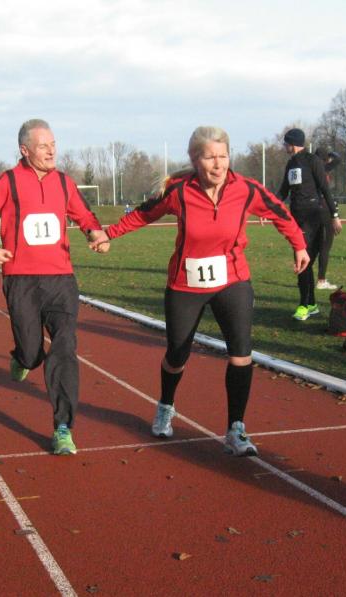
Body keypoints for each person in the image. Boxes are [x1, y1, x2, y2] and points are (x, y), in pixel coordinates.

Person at [101, 125, 309, 456]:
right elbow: (144, 214)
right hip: (186, 284)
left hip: (232, 280)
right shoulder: (179, 191)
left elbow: (279, 212)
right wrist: (108, 234)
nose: (218, 164)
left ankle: (236, 428)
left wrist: (299, 245)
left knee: (241, 354)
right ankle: (166, 405)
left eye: (223, 156)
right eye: (210, 157)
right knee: (177, 355)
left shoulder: (246, 189)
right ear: (195, 159)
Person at [0, 118, 109, 456]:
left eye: (53, 144)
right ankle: (22, 357)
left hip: (60, 279)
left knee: (64, 347)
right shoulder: (7, 182)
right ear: (25, 150)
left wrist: (94, 233)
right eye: (43, 146)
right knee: (33, 353)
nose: (51, 151)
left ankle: (63, 427)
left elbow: (84, 215)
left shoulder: (64, 182)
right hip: (22, 281)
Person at [278, 129, 342, 320]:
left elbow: (325, 189)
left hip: (313, 217)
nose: (284, 146)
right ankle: (312, 304)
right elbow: (283, 191)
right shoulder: (291, 164)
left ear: (293, 143)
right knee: (304, 263)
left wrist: (335, 215)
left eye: (286, 142)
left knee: (302, 261)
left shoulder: (313, 161)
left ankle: (304, 305)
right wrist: (270, 208)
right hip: (296, 219)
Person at [314, 148, 342, 290]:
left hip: (312, 208)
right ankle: (321, 280)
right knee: (325, 246)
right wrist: (331, 154)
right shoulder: (323, 168)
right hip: (324, 208)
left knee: (312, 246)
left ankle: (305, 277)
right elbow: (338, 158)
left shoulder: (310, 170)